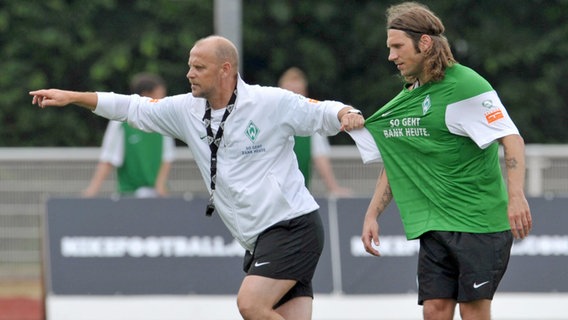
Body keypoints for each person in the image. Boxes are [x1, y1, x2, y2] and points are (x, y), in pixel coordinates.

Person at [30, 35, 364, 320]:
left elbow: (319, 110)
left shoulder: (269, 102)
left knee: (250, 304)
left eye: (198, 67)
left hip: (292, 226)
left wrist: (344, 113)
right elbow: (131, 107)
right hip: (259, 237)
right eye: (190, 66)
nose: (189, 74)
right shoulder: (185, 109)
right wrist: (74, 97)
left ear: (225, 70)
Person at [348, 2, 533, 320]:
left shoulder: (467, 86)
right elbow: (398, 159)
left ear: (424, 43)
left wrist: (516, 196)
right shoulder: (409, 97)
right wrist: (372, 214)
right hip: (436, 226)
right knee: (434, 310)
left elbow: (511, 139)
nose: (391, 56)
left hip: (480, 224)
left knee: (473, 313)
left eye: (397, 46)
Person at [82, 73, 176, 198]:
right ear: (146, 94)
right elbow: (109, 158)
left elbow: (167, 157)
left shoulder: (164, 121)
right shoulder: (120, 122)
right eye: (160, 95)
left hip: (156, 197)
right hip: (129, 195)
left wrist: (160, 186)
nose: (163, 100)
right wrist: (92, 191)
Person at [278, 67, 352, 197]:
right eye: (290, 93)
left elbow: (320, 158)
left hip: (298, 196)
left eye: (297, 93)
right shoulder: (270, 120)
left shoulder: (310, 124)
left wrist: (333, 188)